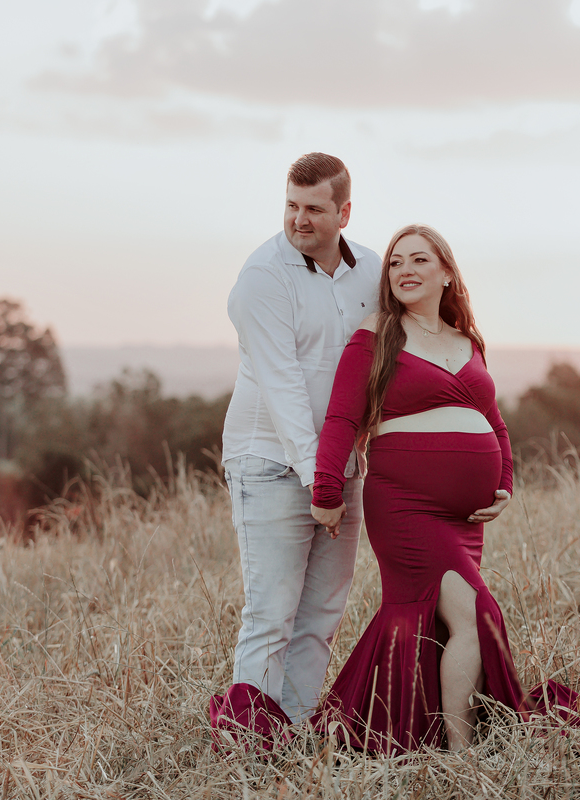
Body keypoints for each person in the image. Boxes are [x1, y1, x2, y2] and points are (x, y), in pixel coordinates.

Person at [309, 224, 580, 752]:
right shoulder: (377, 332)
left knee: (451, 620)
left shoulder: (466, 340)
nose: (404, 270)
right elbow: (341, 417)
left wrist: (504, 482)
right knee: (477, 615)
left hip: (464, 520)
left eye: (419, 260)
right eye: (395, 262)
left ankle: (424, 733)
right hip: (405, 505)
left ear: (447, 274)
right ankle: (460, 754)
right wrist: (326, 492)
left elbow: (494, 423)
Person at [210, 153, 382, 739]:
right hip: (270, 463)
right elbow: (284, 390)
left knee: (323, 613)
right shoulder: (263, 277)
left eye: (313, 208)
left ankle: (296, 732)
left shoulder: (371, 271)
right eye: (291, 205)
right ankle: (248, 743)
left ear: (344, 213)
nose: (298, 220)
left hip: (341, 467)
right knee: (271, 613)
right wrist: (321, 485)